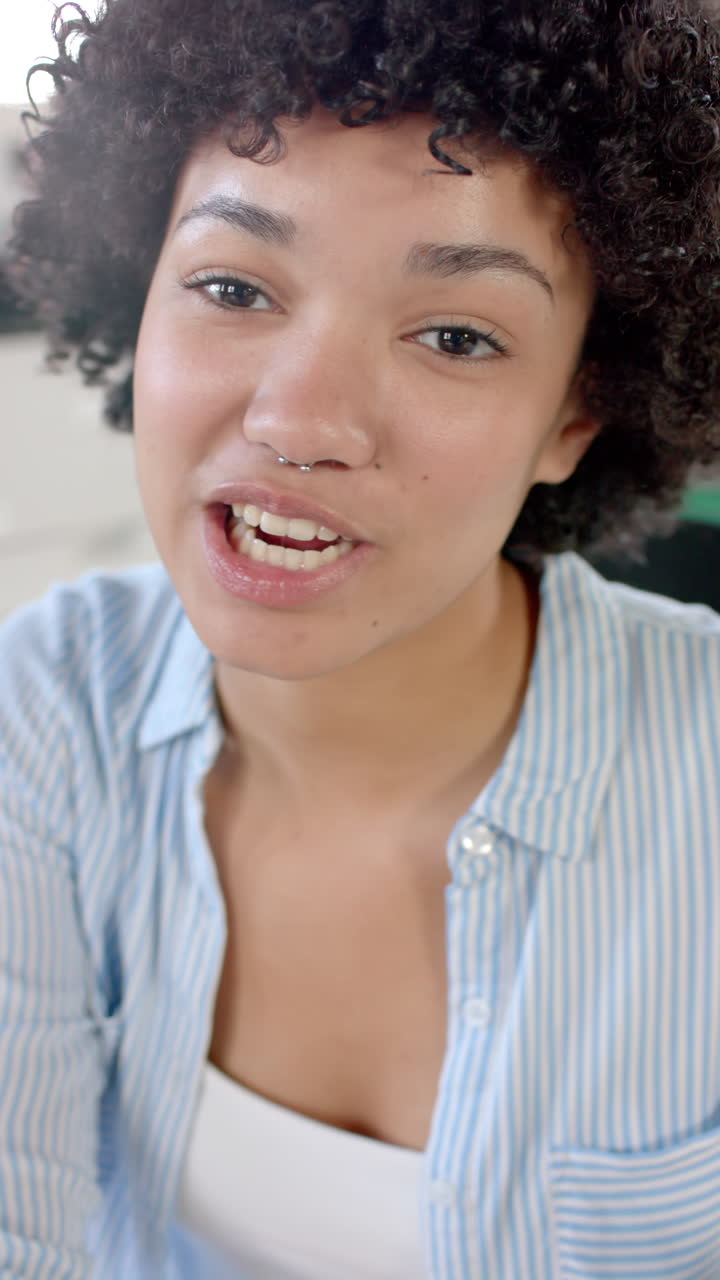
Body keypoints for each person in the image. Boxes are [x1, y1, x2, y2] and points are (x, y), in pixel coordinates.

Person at [2, 0, 720, 1276]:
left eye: (456, 335)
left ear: (576, 414)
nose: (301, 419)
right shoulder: (47, 708)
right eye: (232, 286)